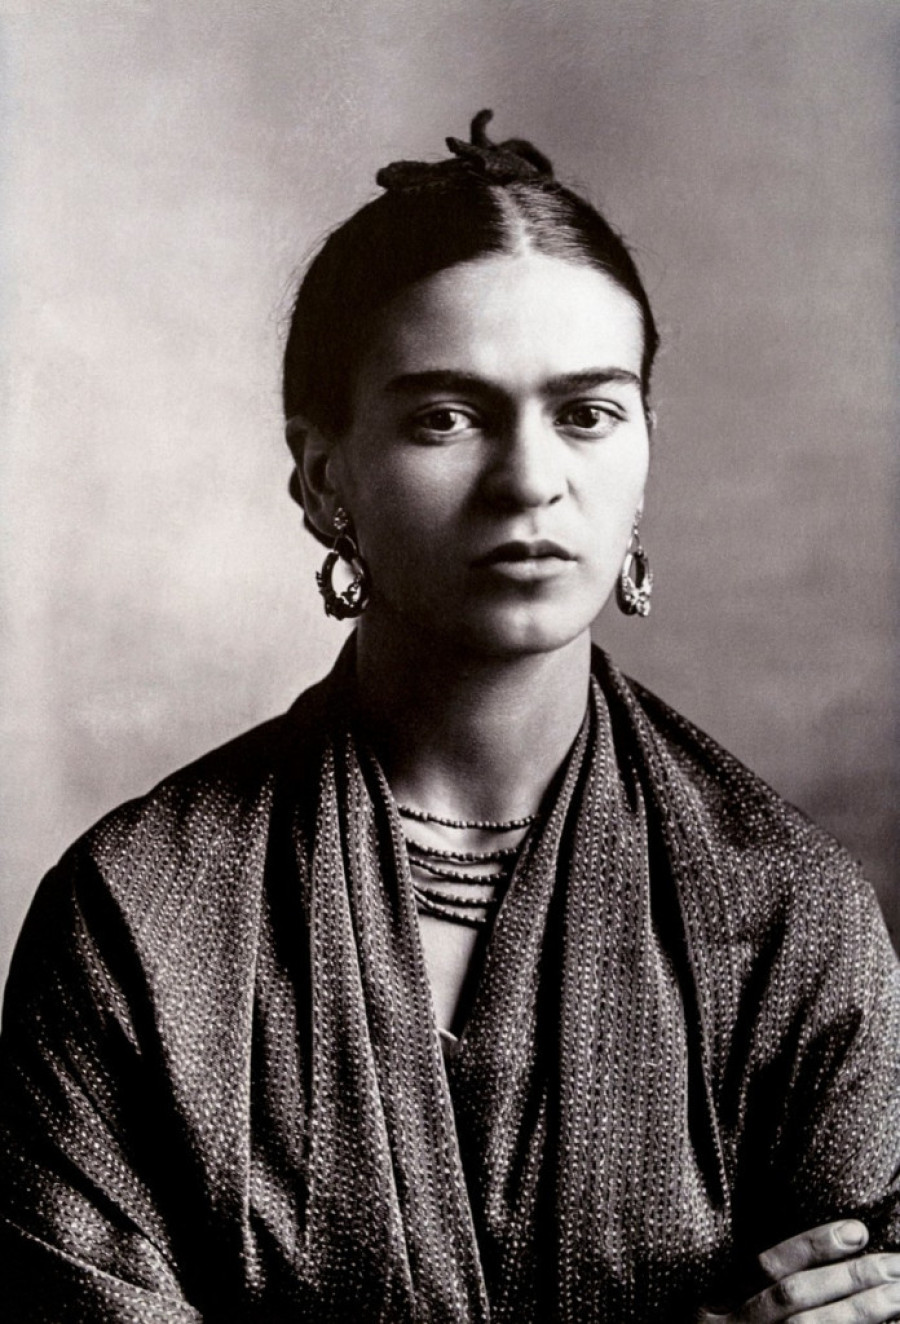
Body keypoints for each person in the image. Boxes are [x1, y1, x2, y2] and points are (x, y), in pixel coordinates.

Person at [1, 110, 898, 1324]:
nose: (531, 480)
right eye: (446, 417)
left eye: (587, 413)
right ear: (326, 477)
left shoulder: (789, 914)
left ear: (645, 450)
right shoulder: (135, 918)